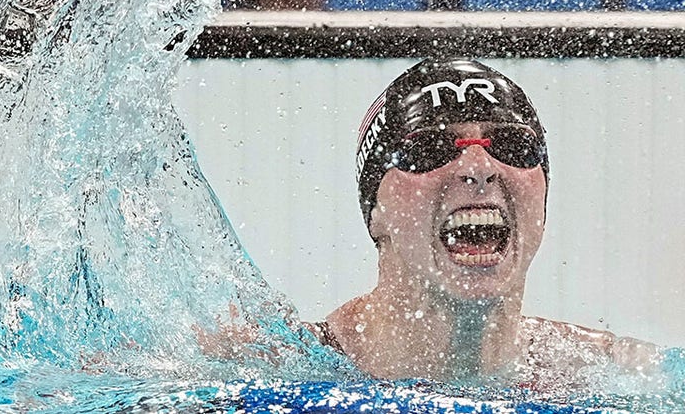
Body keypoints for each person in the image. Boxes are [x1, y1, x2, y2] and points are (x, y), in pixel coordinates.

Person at [197, 58, 666, 391]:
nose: (478, 166)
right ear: (375, 209)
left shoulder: (617, 372)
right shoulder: (267, 367)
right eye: (429, 150)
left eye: (512, 147)